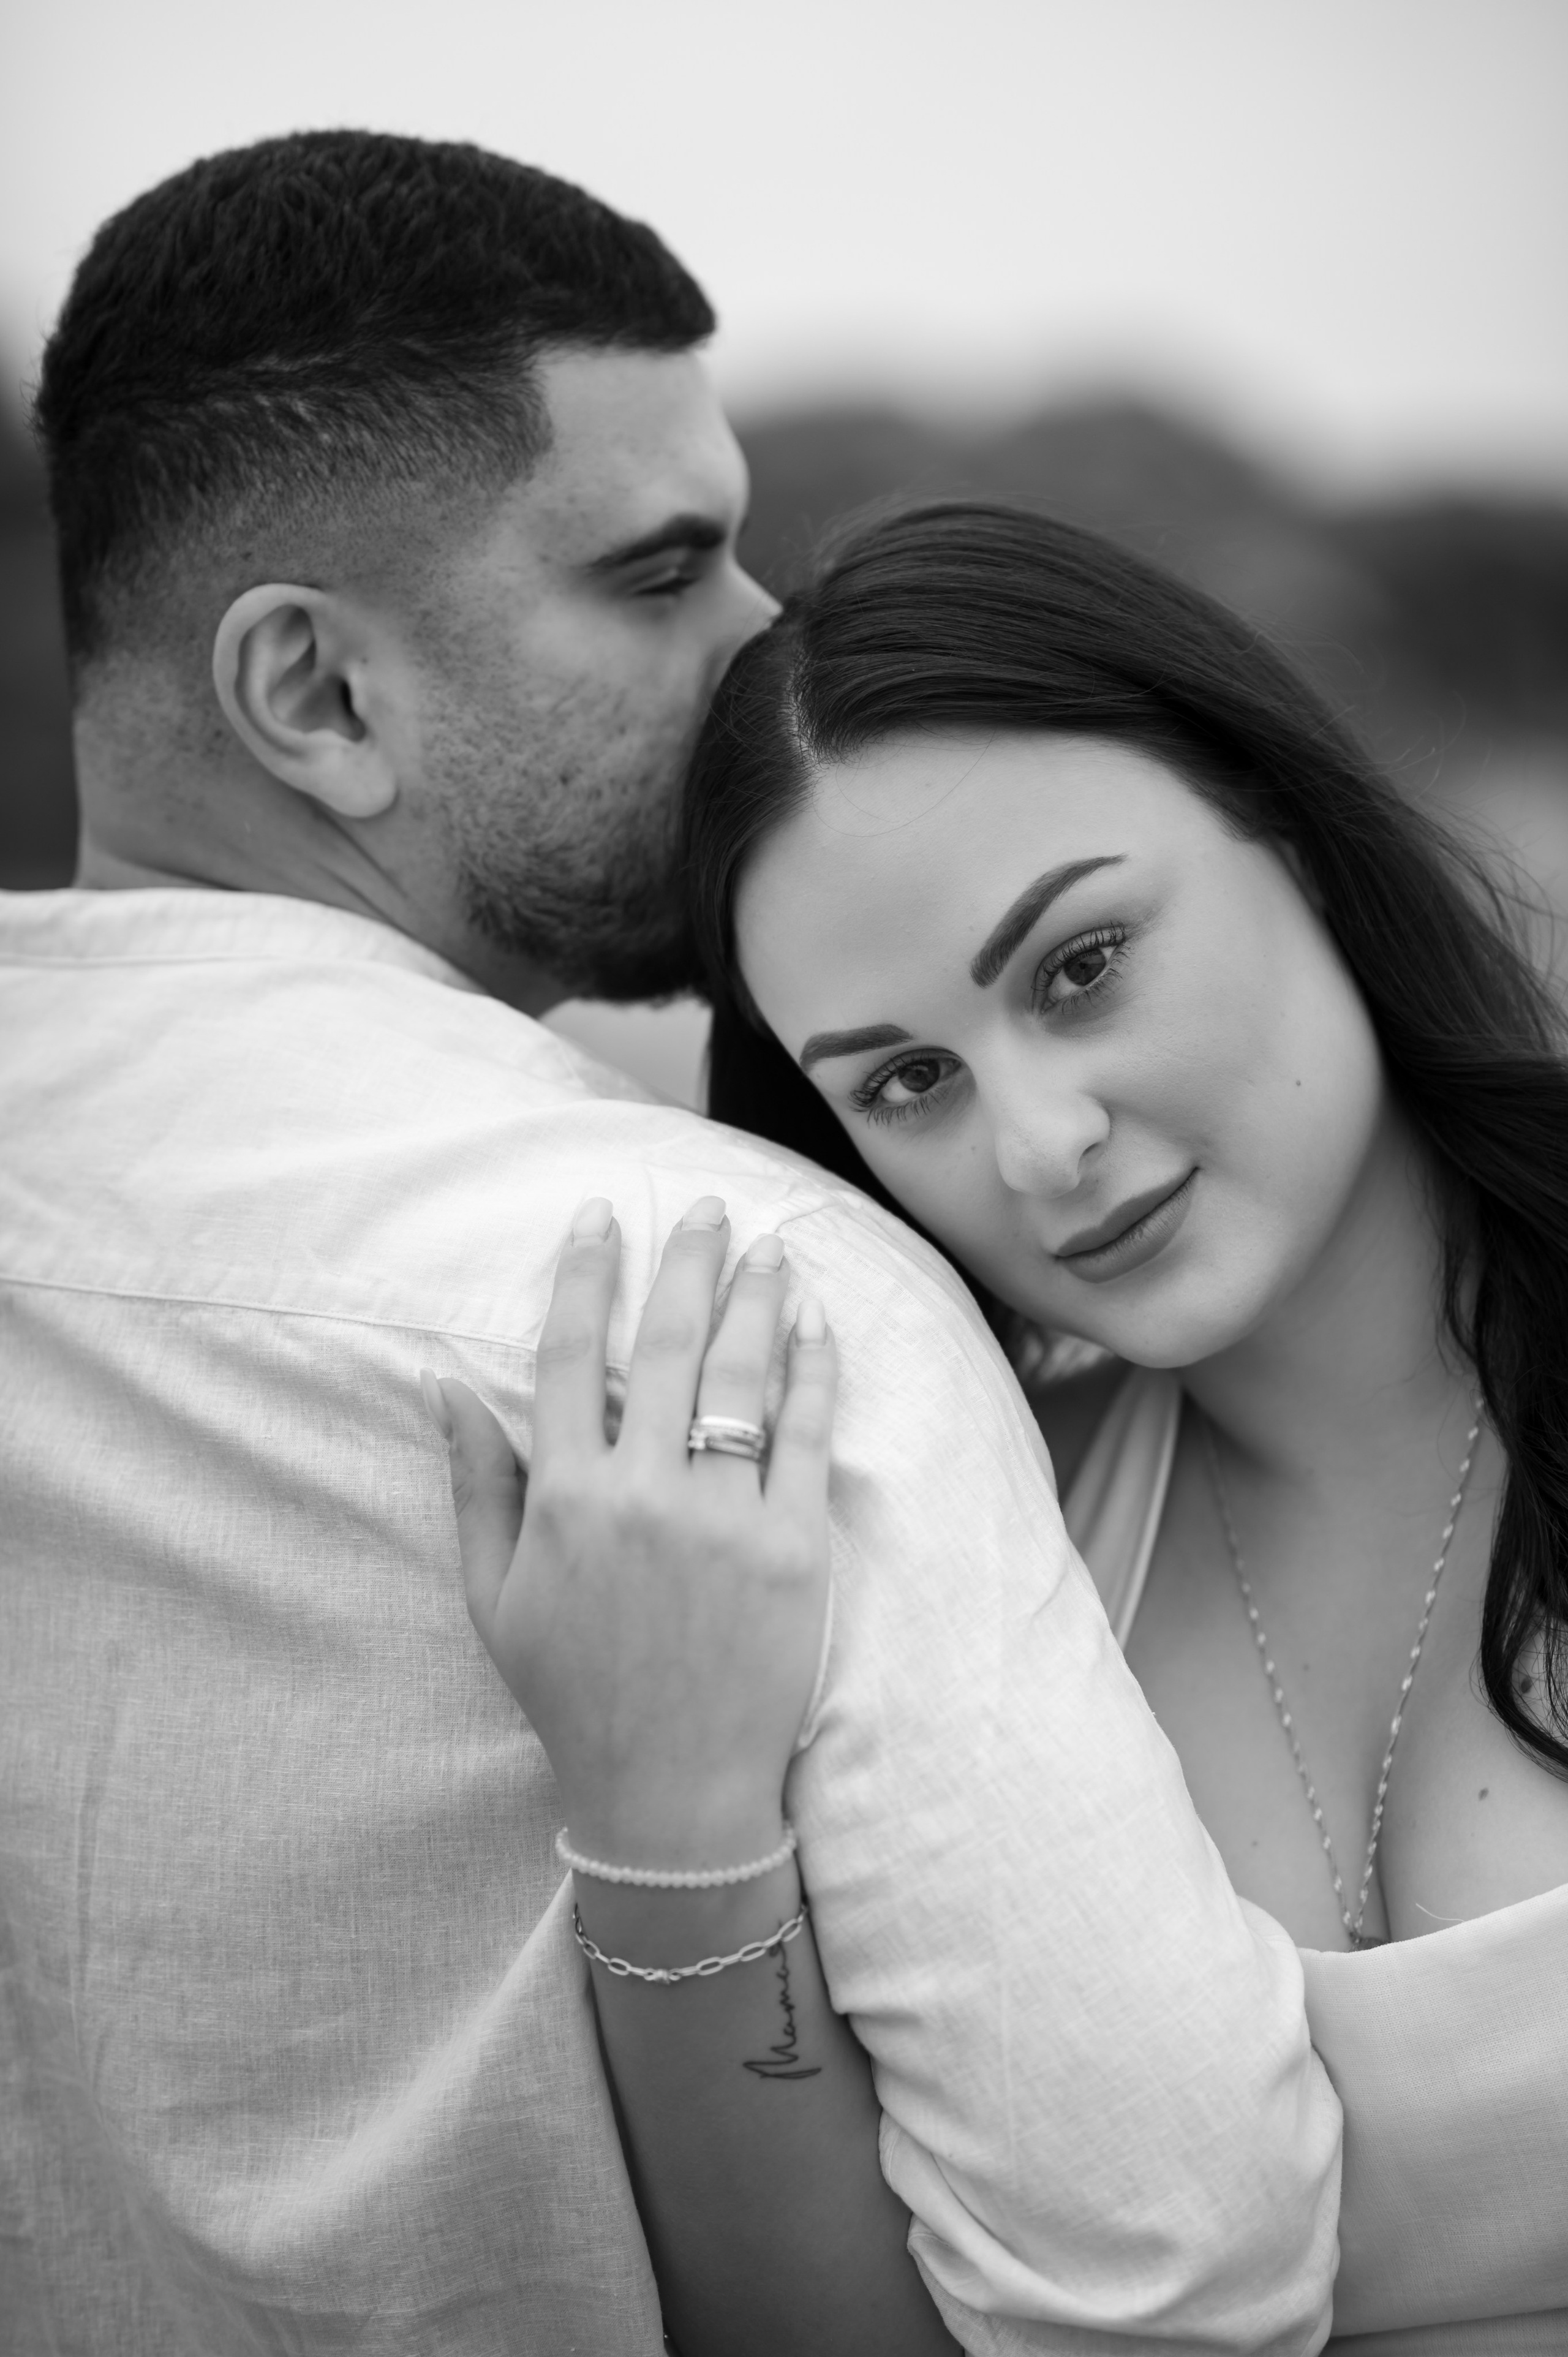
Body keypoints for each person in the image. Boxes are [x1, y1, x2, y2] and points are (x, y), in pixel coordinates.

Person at [0, 137, 1341, 2355]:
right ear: (320, 699)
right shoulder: (716, 1300)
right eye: (662, 572)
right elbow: (1169, 2272)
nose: (766, 642)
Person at [438, 502, 1568, 2351]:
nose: (1040, 1150)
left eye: (1082, 965)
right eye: (907, 1082)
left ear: (1287, 825)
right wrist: (666, 1808)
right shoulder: (970, 1540)